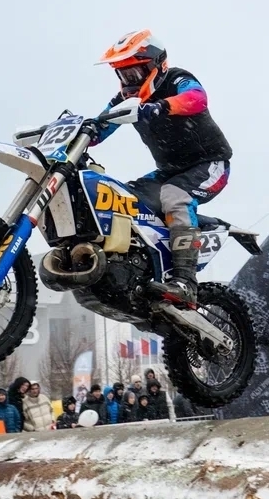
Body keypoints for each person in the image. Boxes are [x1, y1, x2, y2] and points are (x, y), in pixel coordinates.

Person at [94, 30, 233, 306]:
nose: (130, 81)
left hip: (209, 164)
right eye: (124, 74)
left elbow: (197, 97)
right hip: (170, 170)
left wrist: (161, 106)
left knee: (174, 196)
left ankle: (185, 282)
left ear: (157, 65)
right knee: (122, 198)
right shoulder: (124, 101)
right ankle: (139, 269)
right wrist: (79, 132)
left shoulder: (177, 79)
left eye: (135, 73)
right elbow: (100, 128)